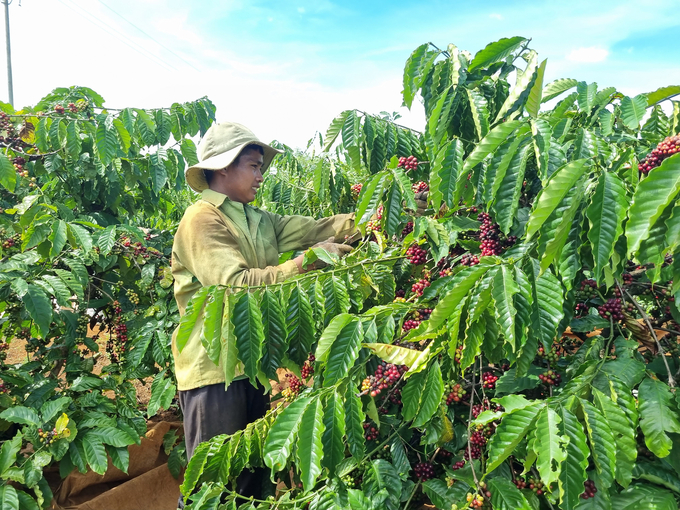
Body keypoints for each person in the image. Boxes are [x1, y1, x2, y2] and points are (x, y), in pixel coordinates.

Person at [171, 122, 356, 505]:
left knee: (253, 481)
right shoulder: (201, 219)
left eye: (261, 168)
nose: (260, 176)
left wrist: (382, 211)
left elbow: (320, 229)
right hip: (214, 371)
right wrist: (308, 262)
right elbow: (233, 286)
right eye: (254, 166)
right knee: (215, 487)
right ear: (223, 168)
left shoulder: (258, 220)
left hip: (253, 363)